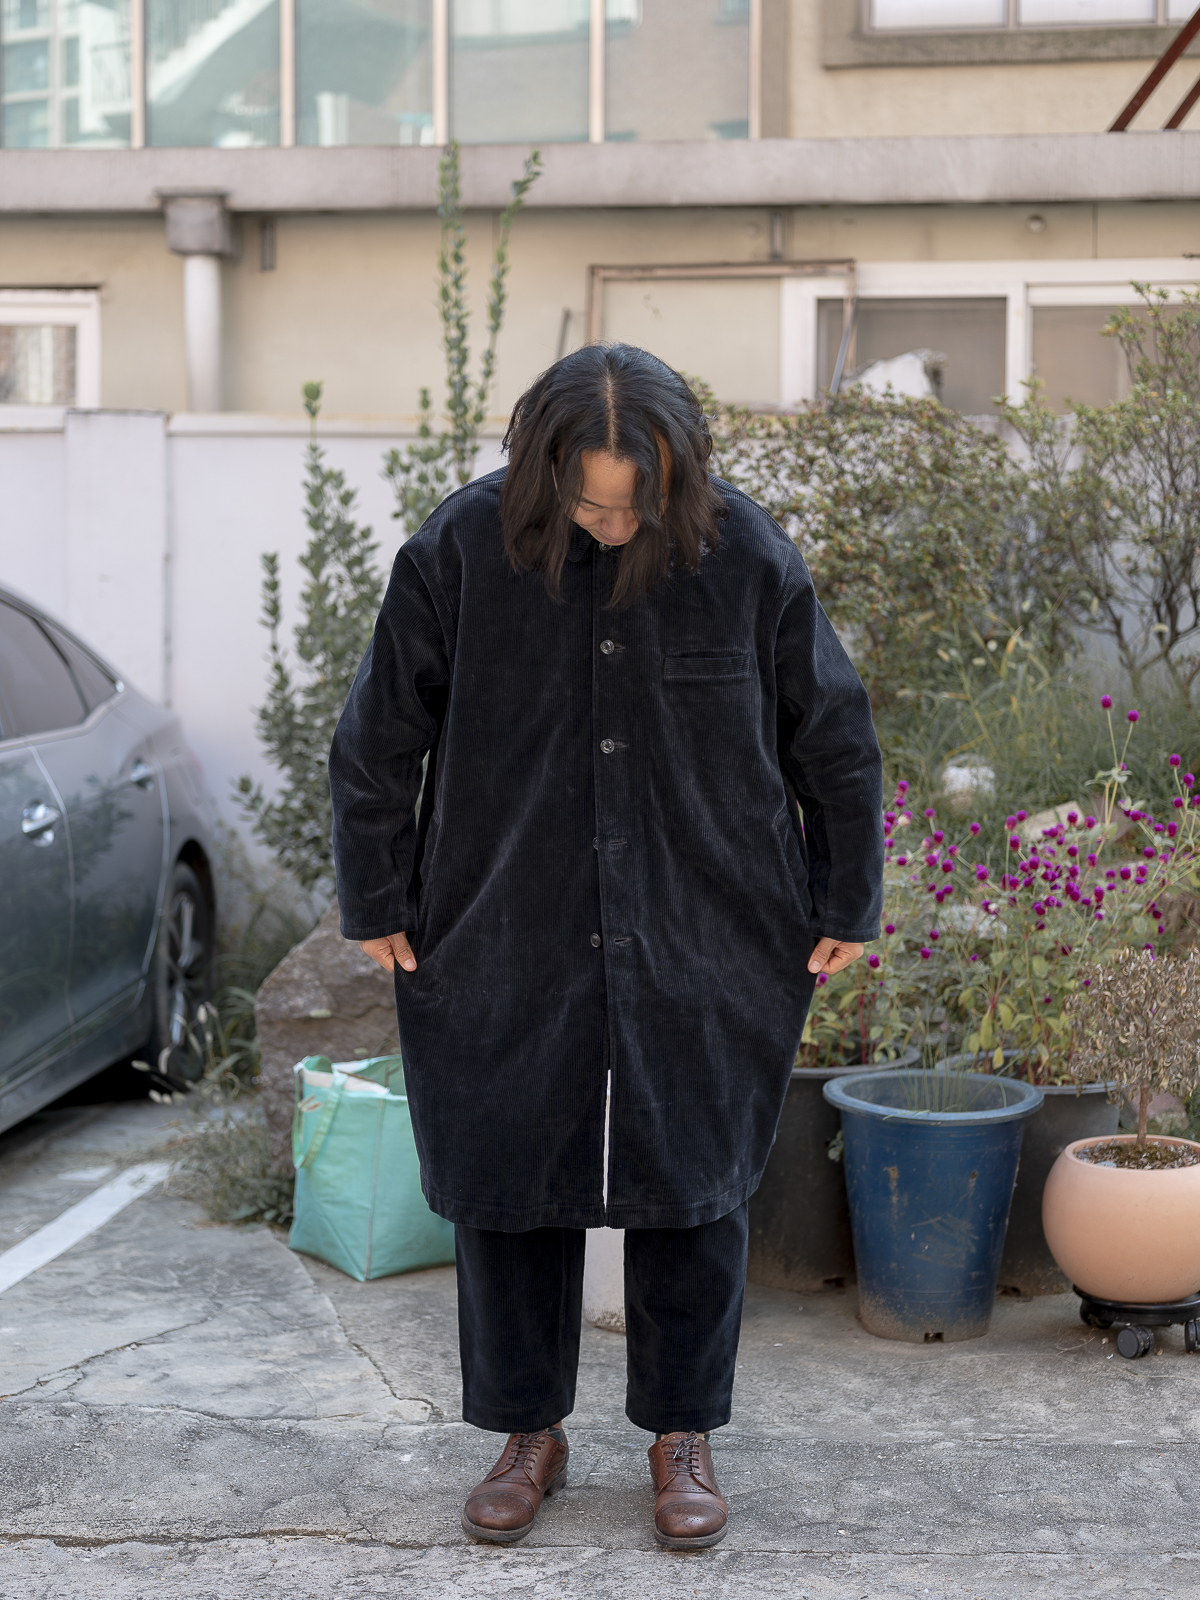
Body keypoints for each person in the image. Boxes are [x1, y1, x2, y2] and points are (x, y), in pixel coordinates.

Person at [329, 343, 883, 1550]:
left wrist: (848, 899)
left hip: (708, 916)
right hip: (503, 914)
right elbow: (377, 736)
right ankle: (527, 1430)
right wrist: (374, 895)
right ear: (543, 471)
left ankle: (683, 1433)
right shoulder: (459, 550)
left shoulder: (745, 553)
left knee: (692, 1173)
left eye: (638, 504)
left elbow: (833, 734)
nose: (615, 524)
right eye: (590, 504)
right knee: (511, 1174)